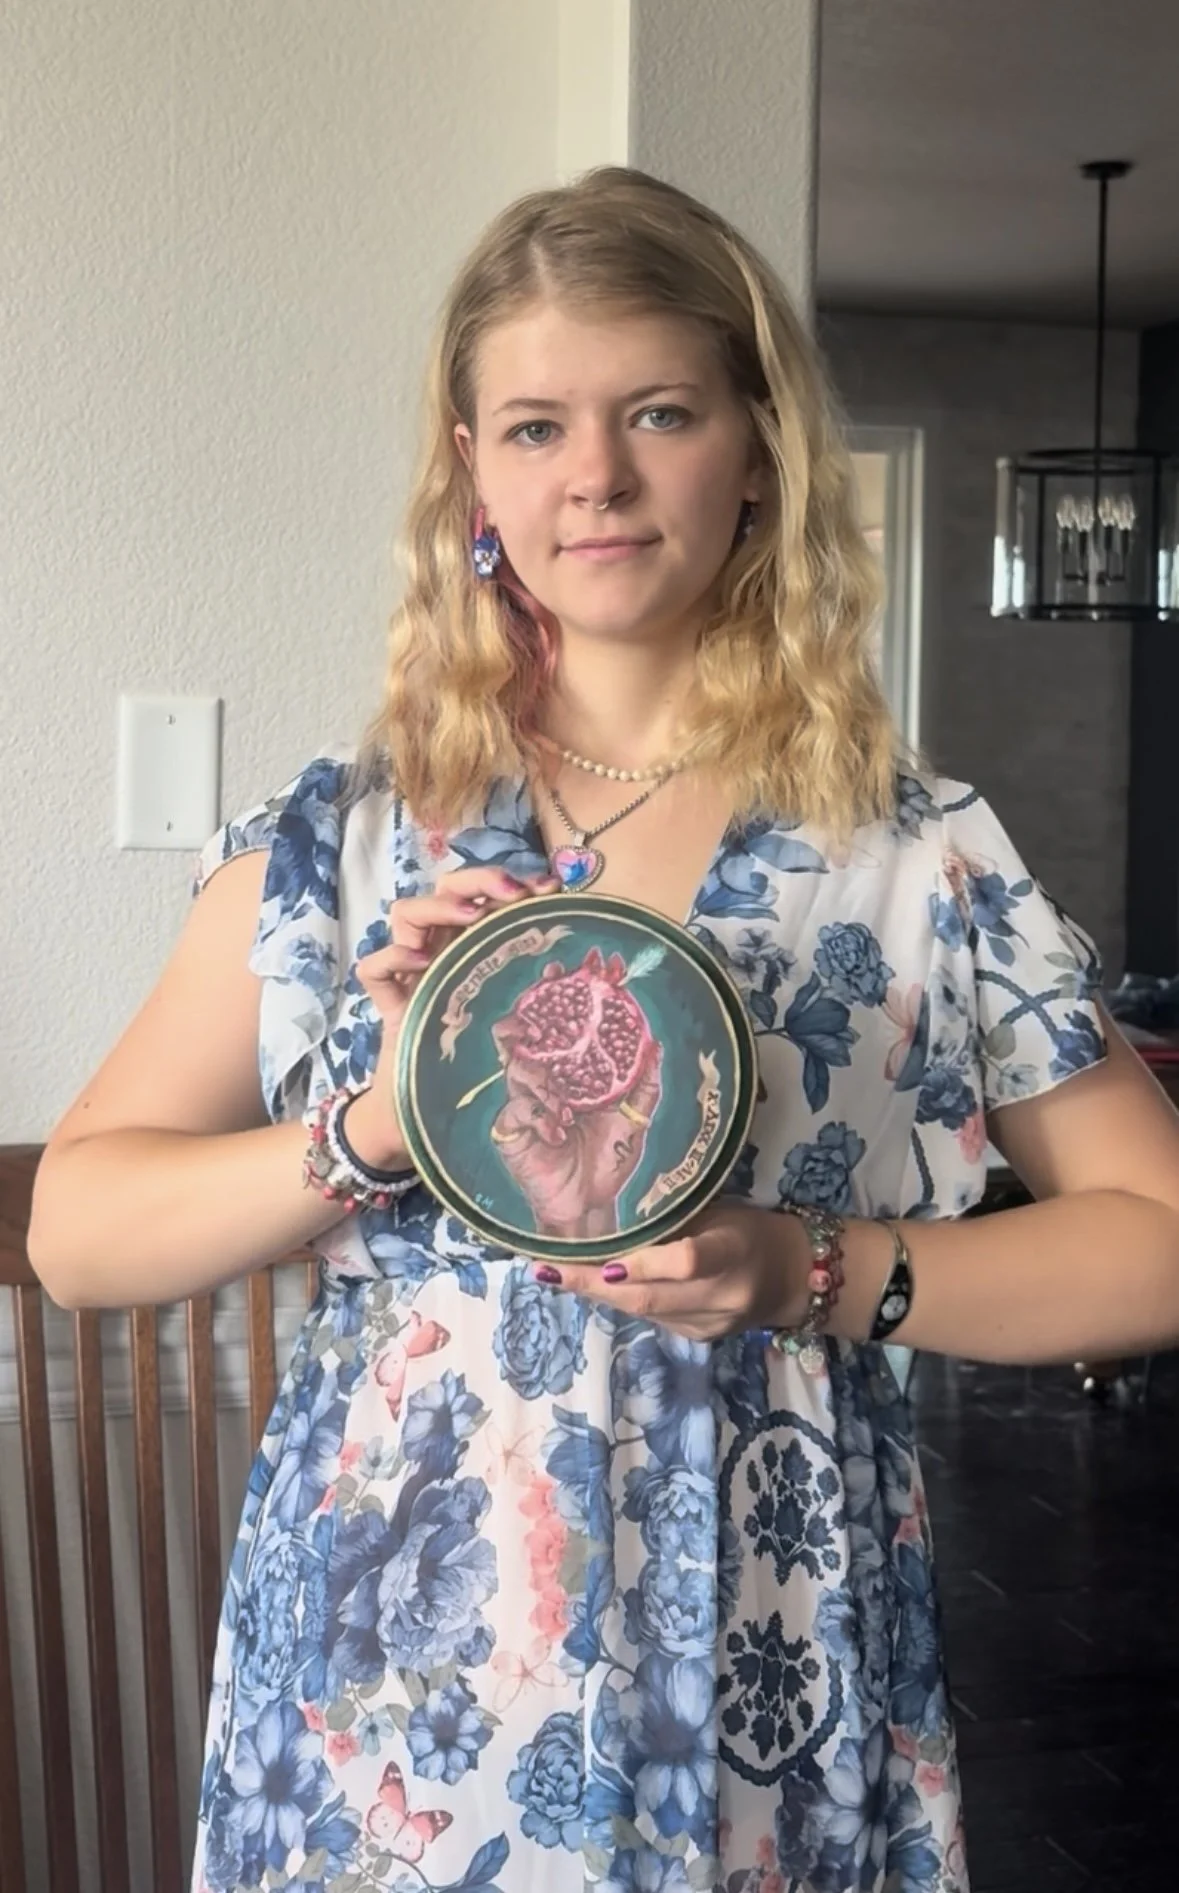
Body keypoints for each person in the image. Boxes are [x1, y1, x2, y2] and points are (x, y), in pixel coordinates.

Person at [27, 166, 1179, 1893]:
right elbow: (77, 1231)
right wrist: (379, 1120)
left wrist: (810, 1266)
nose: (598, 478)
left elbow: (1159, 1237)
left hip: (776, 1648)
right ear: (470, 472)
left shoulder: (910, 848)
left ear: (758, 447)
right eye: (534, 425)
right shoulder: (342, 839)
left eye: (658, 411)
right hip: (394, 1685)